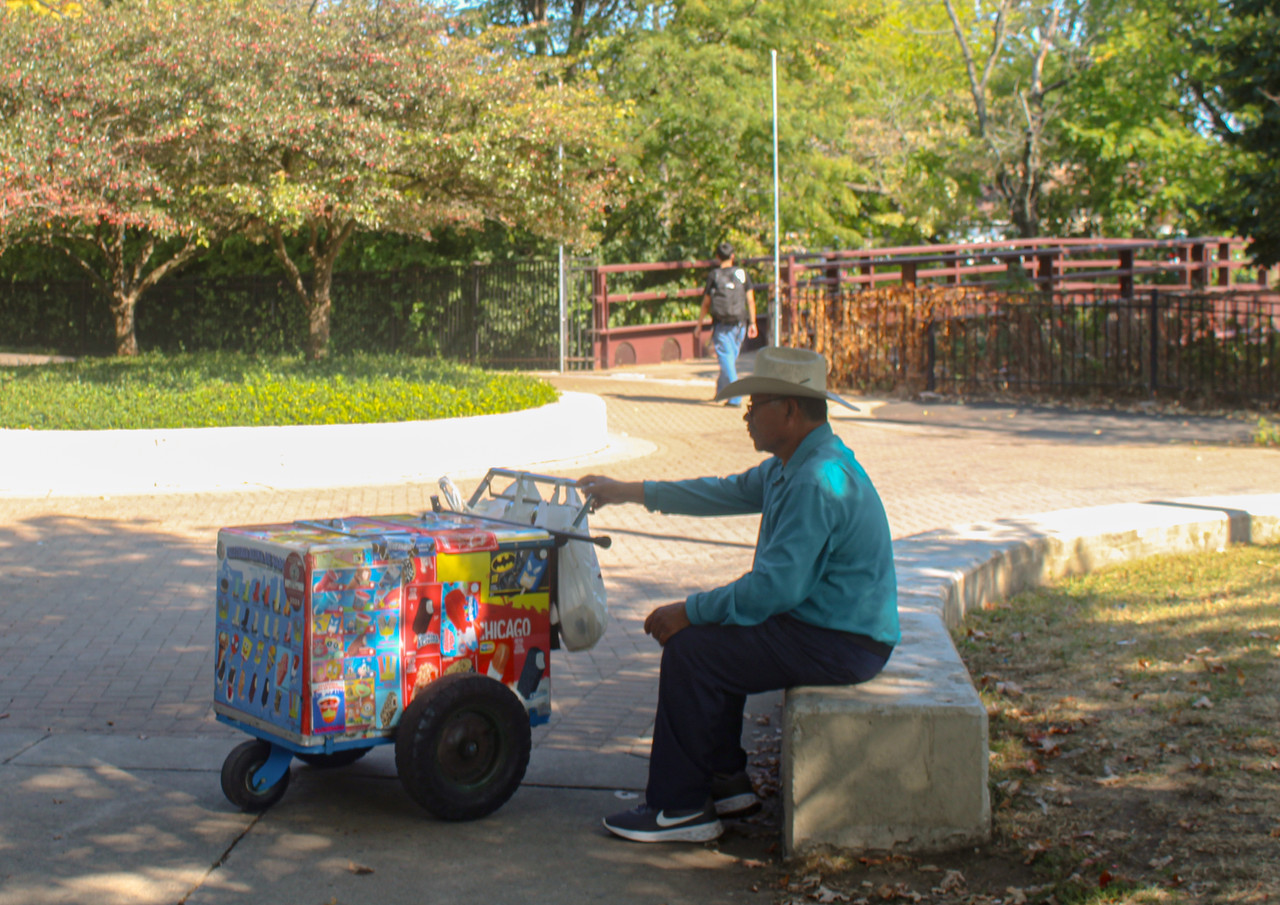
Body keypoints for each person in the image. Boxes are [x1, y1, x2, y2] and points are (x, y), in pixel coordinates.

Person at [577, 346, 898, 844]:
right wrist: (629, 491)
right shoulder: (796, 463)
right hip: (828, 628)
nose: (745, 417)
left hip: (843, 642)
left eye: (755, 405)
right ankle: (727, 783)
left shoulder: (815, 479)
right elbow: (717, 492)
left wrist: (689, 610)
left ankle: (679, 808)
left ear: (790, 410)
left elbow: (774, 590)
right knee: (714, 635)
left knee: (692, 651)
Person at [698, 242, 757, 407]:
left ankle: (735, 397)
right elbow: (750, 300)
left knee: (727, 360)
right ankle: (722, 390)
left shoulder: (714, 275)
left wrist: (699, 324)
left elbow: (706, 303)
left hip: (722, 325)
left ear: (717, 257)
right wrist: (753, 322)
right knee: (729, 360)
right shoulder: (741, 273)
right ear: (733, 256)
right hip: (740, 323)